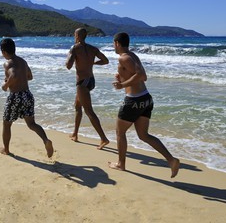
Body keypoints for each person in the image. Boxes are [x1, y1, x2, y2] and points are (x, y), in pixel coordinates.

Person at [108, 32, 180, 178]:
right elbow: (137, 74)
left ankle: (121, 164)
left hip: (134, 100)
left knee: (120, 132)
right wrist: (122, 77)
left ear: (117, 43)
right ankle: (171, 160)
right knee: (143, 135)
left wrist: (122, 85)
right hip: (145, 99)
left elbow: (142, 76)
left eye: (113, 43)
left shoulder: (124, 57)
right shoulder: (132, 55)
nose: (113, 46)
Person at [0, 38, 54, 158]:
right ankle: (45, 140)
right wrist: (19, 79)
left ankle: (6, 149)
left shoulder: (8, 63)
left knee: (7, 124)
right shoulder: (23, 62)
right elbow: (30, 76)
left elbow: (13, 75)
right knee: (32, 124)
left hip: (16, 96)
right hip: (27, 95)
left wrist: (6, 85)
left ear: (3, 51)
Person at [66, 28, 110, 149]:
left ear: (77, 36)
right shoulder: (93, 48)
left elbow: (68, 66)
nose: (74, 36)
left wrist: (70, 56)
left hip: (82, 82)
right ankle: (75, 134)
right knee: (77, 106)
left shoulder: (74, 48)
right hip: (91, 80)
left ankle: (103, 138)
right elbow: (106, 61)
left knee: (89, 111)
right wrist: (93, 63)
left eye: (75, 34)